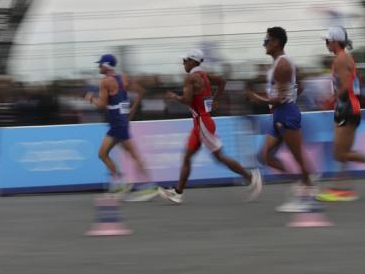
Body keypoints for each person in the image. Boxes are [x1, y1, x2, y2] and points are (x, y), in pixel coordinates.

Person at [157, 49, 262, 204]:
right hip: (201, 122)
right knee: (186, 157)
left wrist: (173, 97)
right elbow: (222, 81)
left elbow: (186, 100)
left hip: (202, 124)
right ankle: (177, 192)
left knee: (219, 157)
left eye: (185, 60)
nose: (183, 63)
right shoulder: (204, 75)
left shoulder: (191, 78)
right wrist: (216, 99)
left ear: (193, 61)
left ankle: (251, 177)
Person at [317, 26, 365, 202]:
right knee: (342, 152)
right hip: (345, 107)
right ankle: (343, 189)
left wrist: (330, 100)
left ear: (336, 41)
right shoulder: (342, 58)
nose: (326, 44)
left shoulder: (342, 59)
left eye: (327, 40)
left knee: (340, 153)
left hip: (347, 107)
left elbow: (345, 85)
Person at [247, 26, 313, 212]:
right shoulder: (281, 63)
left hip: (285, 113)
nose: (264, 44)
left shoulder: (282, 65)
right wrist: (289, 96)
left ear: (276, 42)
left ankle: (308, 195)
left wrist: (257, 98)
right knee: (264, 156)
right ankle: (300, 184)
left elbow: (280, 98)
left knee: (298, 157)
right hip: (280, 113)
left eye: (266, 41)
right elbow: (300, 85)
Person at [83, 53, 157, 201]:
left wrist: (91, 99)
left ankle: (149, 186)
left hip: (117, 123)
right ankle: (121, 183)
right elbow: (140, 92)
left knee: (133, 154)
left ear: (106, 66)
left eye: (100, 64)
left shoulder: (105, 82)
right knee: (102, 153)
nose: (98, 67)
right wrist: (131, 112)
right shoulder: (123, 78)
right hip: (119, 122)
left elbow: (102, 104)